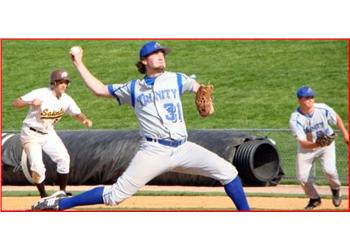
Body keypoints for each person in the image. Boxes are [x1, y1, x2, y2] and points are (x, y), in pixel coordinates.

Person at [32, 41, 250, 211]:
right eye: (155, 54)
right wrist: (78, 63)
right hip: (154, 151)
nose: (161, 56)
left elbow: (197, 87)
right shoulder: (134, 88)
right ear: (144, 61)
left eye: (162, 53)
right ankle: (60, 204)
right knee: (115, 196)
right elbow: (99, 90)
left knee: (228, 172)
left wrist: (203, 96)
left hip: (183, 148)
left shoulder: (176, 79)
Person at [13, 69, 93, 198]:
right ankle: (43, 196)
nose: (64, 85)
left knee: (64, 158)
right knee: (37, 167)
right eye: (61, 82)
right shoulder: (41, 93)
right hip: (31, 134)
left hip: (49, 133)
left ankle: (62, 192)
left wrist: (84, 119)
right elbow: (16, 102)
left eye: (66, 82)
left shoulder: (66, 99)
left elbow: (76, 113)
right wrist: (30, 102)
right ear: (53, 83)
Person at [289, 86, 348, 210]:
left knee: (330, 170)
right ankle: (314, 198)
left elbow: (336, 117)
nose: (310, 100)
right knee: (302, 178)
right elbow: (303, 142)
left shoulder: (322, 108)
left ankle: (336, 190)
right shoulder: (295, 119)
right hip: (307, 149)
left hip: (326, 144)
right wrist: (317, 144)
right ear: (299, 100)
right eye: (307, 98)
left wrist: (345, 134)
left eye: (312, 97)